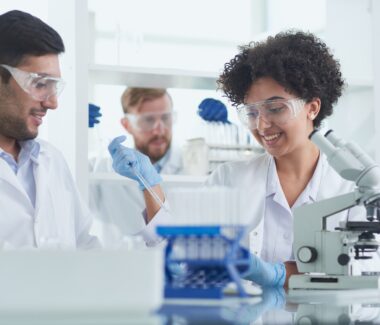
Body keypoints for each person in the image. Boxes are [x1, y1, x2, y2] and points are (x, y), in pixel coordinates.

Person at [203, 30, 379, 288]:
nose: (262, 125)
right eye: (252, 112)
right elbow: (201, 259)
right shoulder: (229, 179)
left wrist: (279, 274)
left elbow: (368, 270)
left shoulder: (354, 188)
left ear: (312, 107)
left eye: (275, 108)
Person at [0, 10, 168, 249]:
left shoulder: (50, 161)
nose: (52, 103)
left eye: (54, 87)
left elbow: (86, 254)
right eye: (39, 84)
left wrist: (151, 188)